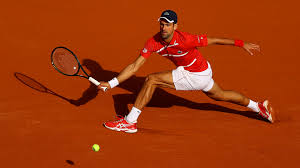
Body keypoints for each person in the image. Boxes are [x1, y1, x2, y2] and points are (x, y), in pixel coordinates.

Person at [98, 10, 275, 133]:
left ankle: (130, 122)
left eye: (167, 25)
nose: (163, 28)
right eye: (162, 24)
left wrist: (240, 43)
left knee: (151, 80)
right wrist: (112, 83)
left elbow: (213, 40)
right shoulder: (153, 42)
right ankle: (258, 107)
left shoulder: (186, 39)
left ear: (175, 26)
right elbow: (135, 66)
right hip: (203, 72)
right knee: (221, 95)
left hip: (196, 73)